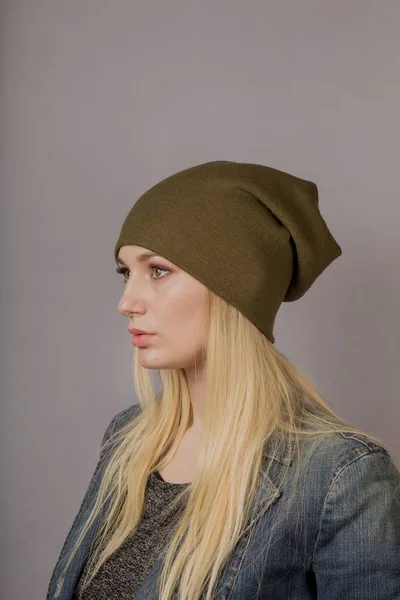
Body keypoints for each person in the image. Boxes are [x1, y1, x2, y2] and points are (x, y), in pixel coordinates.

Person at [46, 161, 400, 600]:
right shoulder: (128, 439)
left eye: (157, 270)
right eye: (126, 272)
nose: (127, 301)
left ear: (235, 291)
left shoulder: (339, 477)